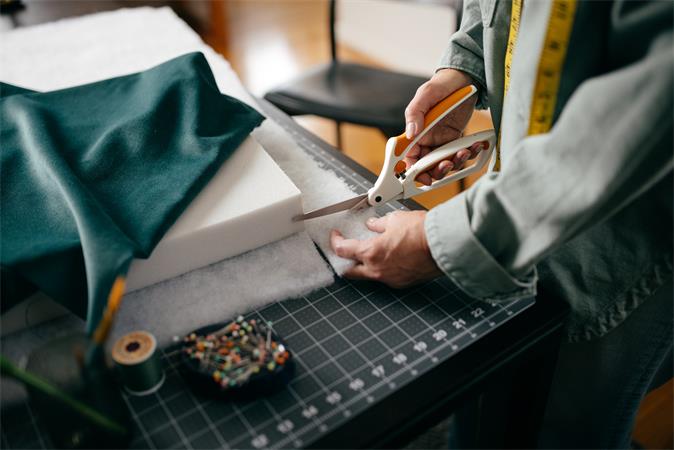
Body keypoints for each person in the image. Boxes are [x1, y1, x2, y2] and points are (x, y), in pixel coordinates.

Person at [330, 0, 673, 447]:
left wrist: (449, 240)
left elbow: (649, 107)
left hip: (617, 248)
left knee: (554, 430)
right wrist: (463, 67)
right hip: (522, 195)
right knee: (488, 412)